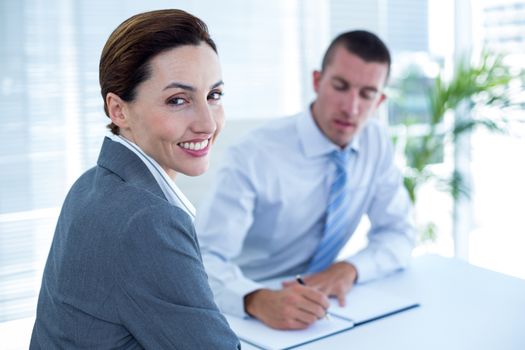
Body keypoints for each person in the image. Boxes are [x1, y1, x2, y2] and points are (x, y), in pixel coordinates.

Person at [30, 9, 240, 349]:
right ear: (118, 110)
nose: (208, 123)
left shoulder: (91, 184)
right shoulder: (148, 220)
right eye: (178, 100)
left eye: (213, 96)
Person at [195, 30, 416, 330]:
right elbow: (203, 259)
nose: (351, 108)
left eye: (367, 94)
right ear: (317, 81)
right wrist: (255, 298)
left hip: (325, 307)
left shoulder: (376, 143)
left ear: (380, 101)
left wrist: (350, 268)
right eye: (341, 86)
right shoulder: (252, 155)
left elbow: (399, 233)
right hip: (245, 306)